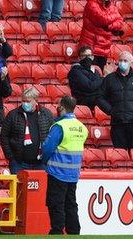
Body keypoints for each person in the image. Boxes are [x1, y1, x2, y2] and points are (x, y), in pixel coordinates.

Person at [41, 95, 88, 235]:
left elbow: (47, 148)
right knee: (71, 204)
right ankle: (74, 232)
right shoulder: (82, 127)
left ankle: (57, 231)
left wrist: (45, 161)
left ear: (61, 107)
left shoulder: (59, 126)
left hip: (58, 171)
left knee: (56, 203)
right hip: (73, 174)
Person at [97, 51, 133, 149]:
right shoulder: (109, 79)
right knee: (120, 154)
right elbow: (99, 98)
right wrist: (111, 111)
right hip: (117, 123)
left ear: (131, 63)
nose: (122, 63)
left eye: (125, 60)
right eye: (120, 60)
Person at [0, 87, 55, 173]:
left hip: (41, 163)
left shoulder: (46, 114)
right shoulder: (13, 115)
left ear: (35, 101)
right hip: (19, 163)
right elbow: (4, 136)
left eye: (28, 101)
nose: (25, 103)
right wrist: (11, 157)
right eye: (23, 101)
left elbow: (52, 136)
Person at [78, 0, 124, 70]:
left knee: (101, 74)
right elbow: (102, 20)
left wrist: (109, 27)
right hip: (91, 47)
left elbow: (120, 21)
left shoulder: (111, 6)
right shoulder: (91, 4)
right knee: (91, 74)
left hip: (104, 48)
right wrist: (113, 19)